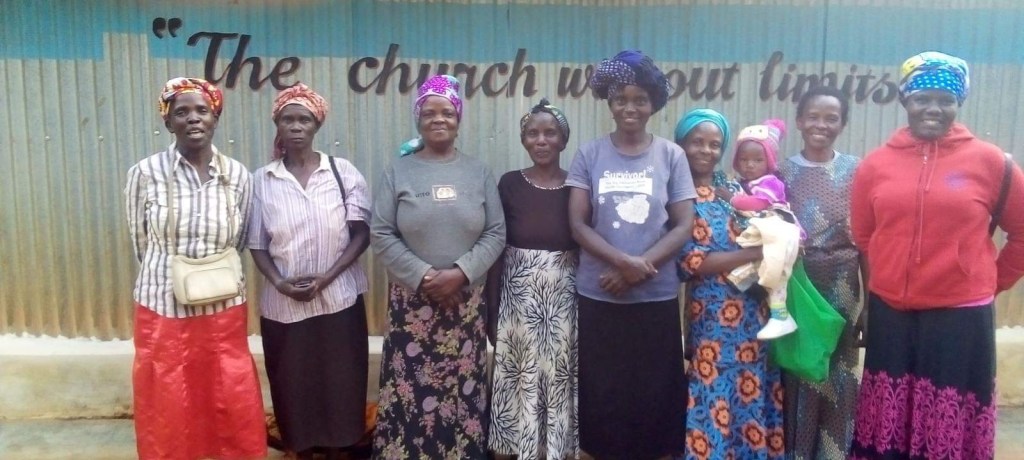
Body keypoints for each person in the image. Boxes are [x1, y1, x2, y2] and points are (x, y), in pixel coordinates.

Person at [849, 51, 1024, 459]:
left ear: (958, 103)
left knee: (948, 415)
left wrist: (988, 282)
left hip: (960, 318)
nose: (933, 108)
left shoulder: (991, 162)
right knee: (890, 415)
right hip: (892, 314)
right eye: (922, 98)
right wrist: (880, 288)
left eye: (945, 100)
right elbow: (865, 236)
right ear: (905, 100)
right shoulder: (876, 164)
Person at [124, 77, 266, 459]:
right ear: (167, 121)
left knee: (226, 386)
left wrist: (205, 274)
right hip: (162, 304)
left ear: (215, 117)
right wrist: (177, 275)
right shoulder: (145, 173)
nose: (193, 118)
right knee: (167, 389)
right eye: (181, 112)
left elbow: (239, 239)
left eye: (202, 110)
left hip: (223, 303)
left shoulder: (237, 174)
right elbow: (140, 240)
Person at [370, 75, 506, 460]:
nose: (438, 119)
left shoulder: (478, 172)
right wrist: (425, 277)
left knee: (462, 388)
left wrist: (460, 274)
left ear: (458, 119)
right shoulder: (399, 171)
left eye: (447, 112)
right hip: (413, 307)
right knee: (411, 390)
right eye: (429, 112)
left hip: (464, 306)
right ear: (418, 119)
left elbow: (496, 232)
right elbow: (381, 232)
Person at [566, 50, 693, 459]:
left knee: (654, 386)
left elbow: (683, 224)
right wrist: (624, 264)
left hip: (654, 294)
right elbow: (578, 224)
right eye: (620, 98)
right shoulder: (589, 154)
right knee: (605, 386)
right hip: (600, 292)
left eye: (640, 99)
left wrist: (640, 268)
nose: (630, 107)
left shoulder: (671, 155)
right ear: (609, 102)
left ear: (653, 103)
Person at [248, 83, 372, 460]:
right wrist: (280, 283)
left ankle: (337, 449)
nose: (296, 126)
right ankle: (299, 449)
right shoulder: (262, 180)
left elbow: (361, 234)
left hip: (339, 300)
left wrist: (327, 278)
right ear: (278, 125)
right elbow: (257, 243)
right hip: (284, 306)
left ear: (317, 125)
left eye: (304, 119)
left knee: (341, 381)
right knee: (293, 382)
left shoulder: (341, 172)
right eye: (288, 119)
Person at [675, 108, 785, 460]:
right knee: (714, 388)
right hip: (712, 316)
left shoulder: (733, 188)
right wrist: (754, 253)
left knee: (751, 389)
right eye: (697, 142)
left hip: (754, 312)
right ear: (681, 144)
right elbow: (691, 262)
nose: (706, 150)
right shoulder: (676, 194)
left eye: (714, 144)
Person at [487, 98, 579, 460]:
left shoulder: (577, 185)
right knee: (519, 373)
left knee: (557, 374)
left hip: (563, 299)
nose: (541, 140)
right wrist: (492, 309)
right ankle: (514, 449)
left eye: (550, 133)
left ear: (563, 140)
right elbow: (496, 246)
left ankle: (553, 450)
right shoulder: (510, 183)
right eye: (532, 133)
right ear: (523, 139)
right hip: (517, 301)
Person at [776, 85, 862, 459]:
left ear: (842, 124)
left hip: (843, 290)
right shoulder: (781, 172)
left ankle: (833, 453)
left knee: (838, 371)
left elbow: (868, 240)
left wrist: (869, 304)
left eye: (831, 118)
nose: (821, 125)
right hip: (798, 289)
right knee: (799, 367)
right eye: (813, 116)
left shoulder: (857, 171)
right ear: (799, 121)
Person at [726, 119, 802, 340]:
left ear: (769, 161)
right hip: (766, 235)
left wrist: (731, 199)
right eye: (744, 159)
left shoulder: (770, 182)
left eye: (757, 160)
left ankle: (781, 316)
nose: (750, 165)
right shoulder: (742, 183)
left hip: (780, 235)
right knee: (765, 269)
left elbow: (758, 203)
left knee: (776, 273)